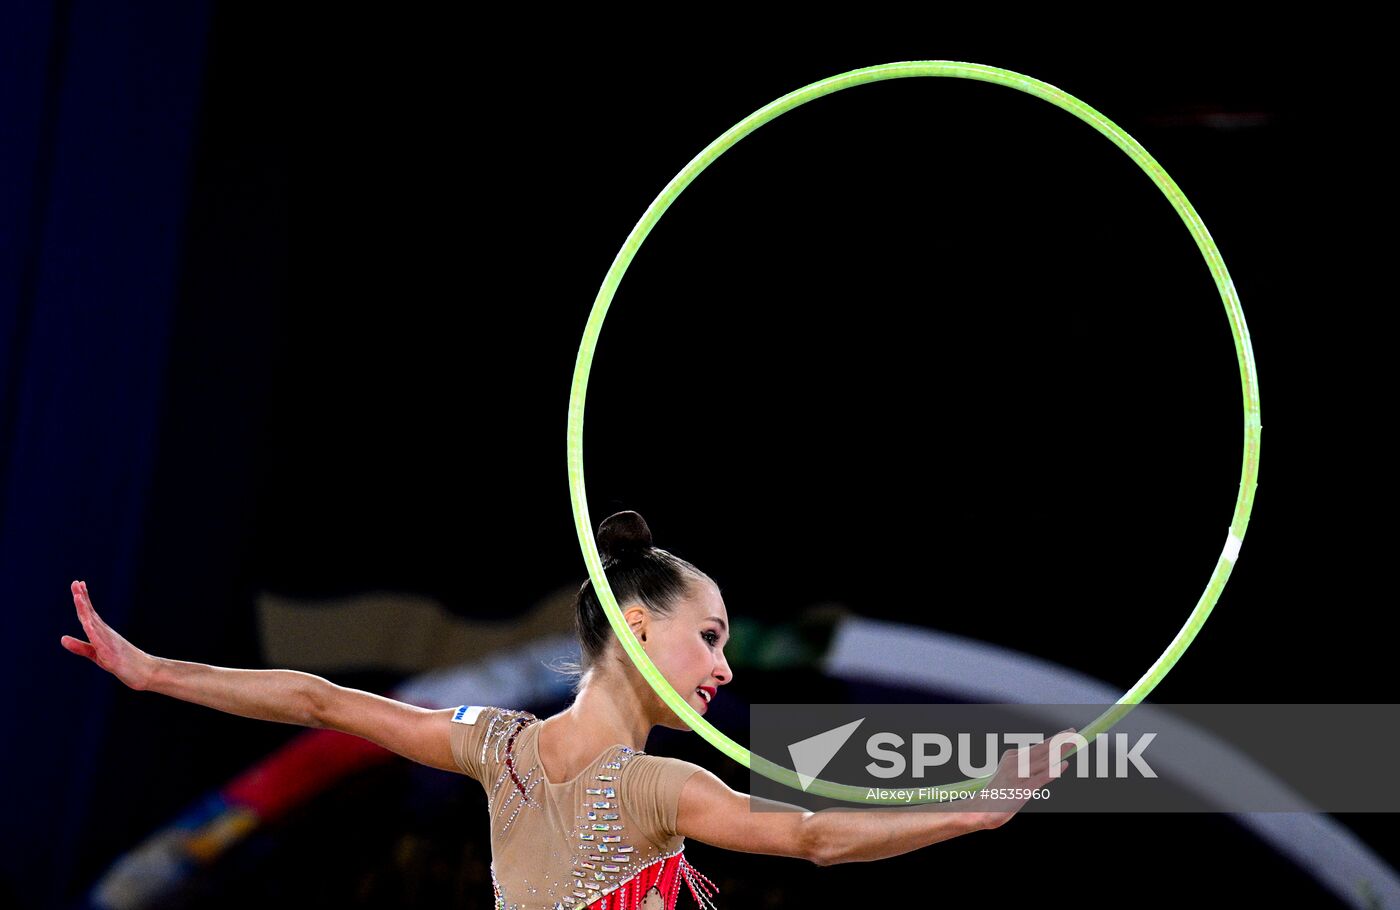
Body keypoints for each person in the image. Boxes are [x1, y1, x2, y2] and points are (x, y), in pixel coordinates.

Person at [62, 510, 1068, 909]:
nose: (723, 666)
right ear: (634, 628)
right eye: (708, 635)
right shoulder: (659, 785)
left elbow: (321, 700)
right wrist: (966, 808)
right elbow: (807, 834)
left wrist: (159, 675)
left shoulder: (495, 744)